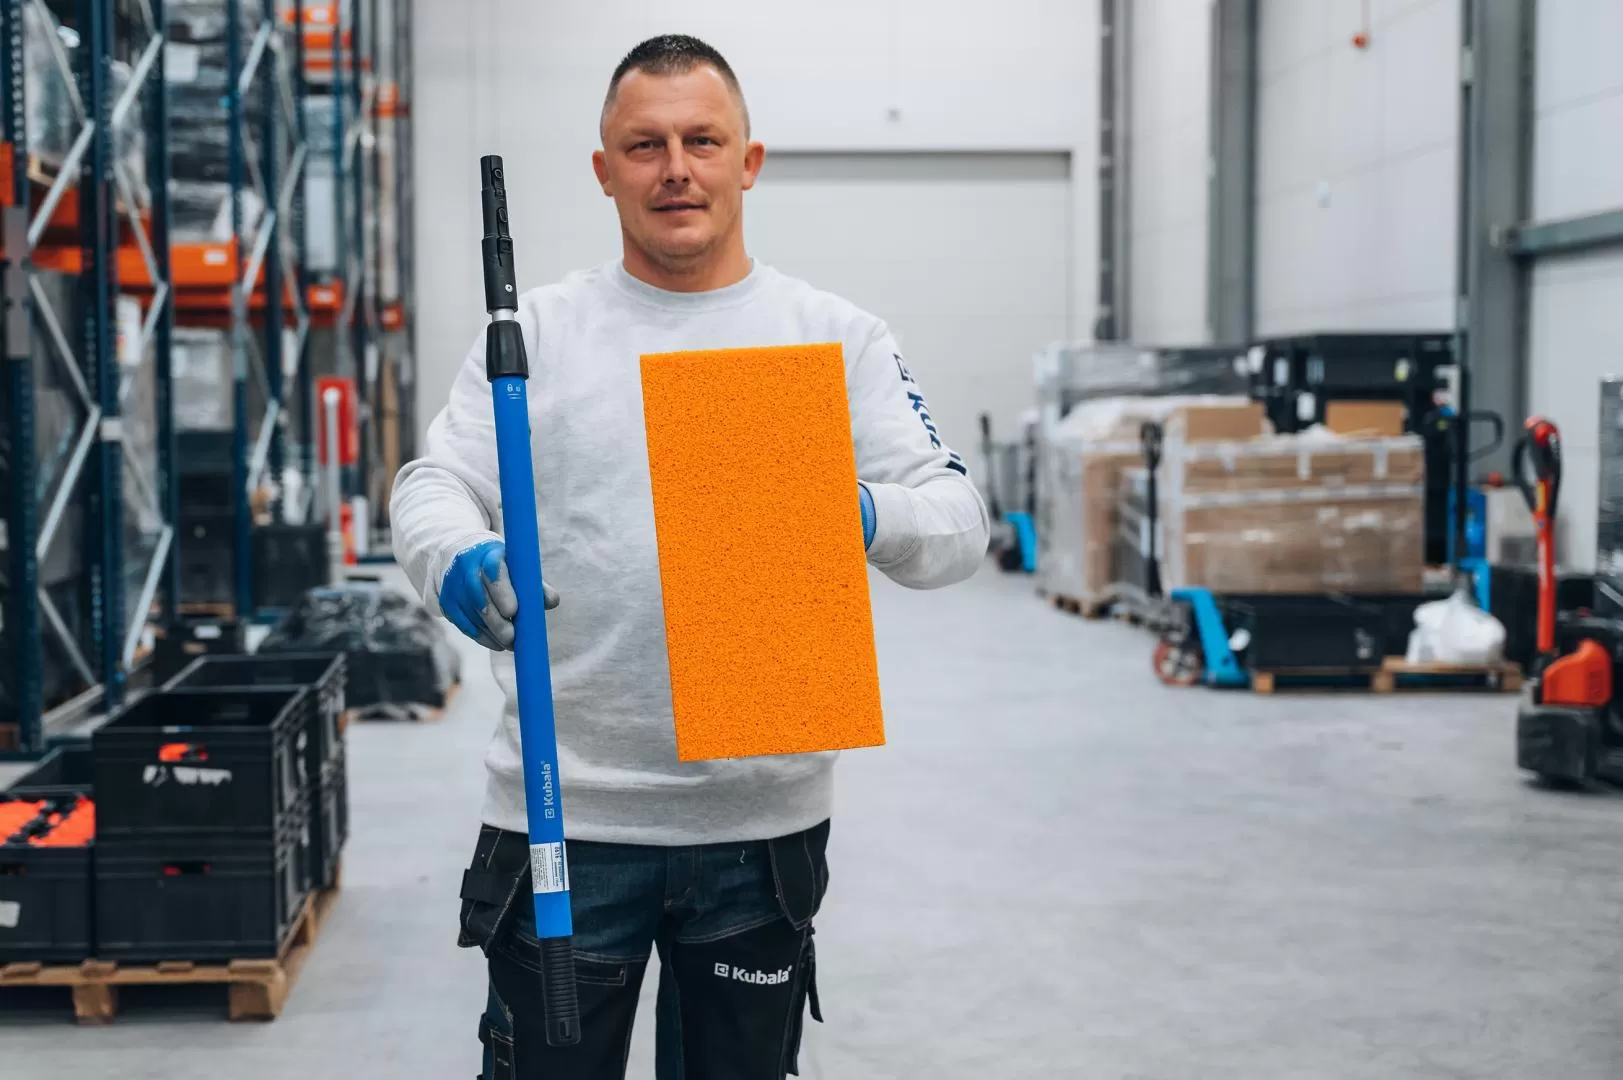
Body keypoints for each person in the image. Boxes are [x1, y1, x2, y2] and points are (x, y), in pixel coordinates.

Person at [390, 33, 989, 1080]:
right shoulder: (535, 334)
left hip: (758, 828)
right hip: (565, 814)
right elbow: (432, 483)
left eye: (702, 141)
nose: (676, 168)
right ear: (604, 169)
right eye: (645, 145)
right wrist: (458, 556)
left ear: (747, 161)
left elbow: (958, 522)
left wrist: (853, 513)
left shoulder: (829, 337)